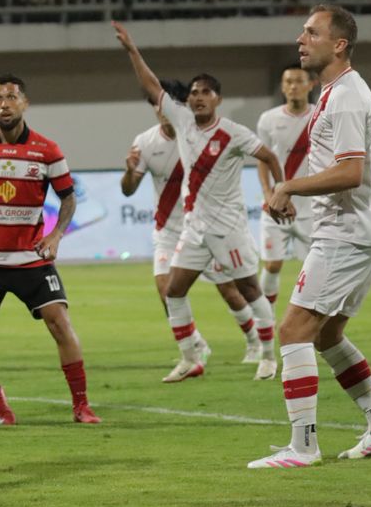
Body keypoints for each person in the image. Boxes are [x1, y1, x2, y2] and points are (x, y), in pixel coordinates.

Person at [256, 6, 371, 468]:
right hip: (354, 230)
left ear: (338, 44)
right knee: (327, 335)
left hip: (344, 234)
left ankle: (303, 446)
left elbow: (353, 170)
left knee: (293, 330)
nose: (301, 39)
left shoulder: (344, 98)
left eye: (311, 32)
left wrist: (289, 186)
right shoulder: (343, 92)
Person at [112, 23, 283, 382]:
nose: (199, 97)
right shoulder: (183, 122)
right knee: (173, 291)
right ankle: (191, 356)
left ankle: (268, 355)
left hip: (229, 229)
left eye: (206, 92)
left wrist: (282, 192)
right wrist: (131, 50)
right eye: (194, 92)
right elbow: (151, 86)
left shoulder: (233, 133)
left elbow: (268, 156)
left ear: (218, 98)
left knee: (250, 291)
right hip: (193, 229)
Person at [0, 76, 100, 426]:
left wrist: (56, 235)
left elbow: (68, 198)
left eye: (11, 97)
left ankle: (81, 405)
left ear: (25, 103)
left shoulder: (48, 151)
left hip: (31, 260)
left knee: (61, 324)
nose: (4, 103)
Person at [122, 80, 259, 367]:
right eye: (158, 106)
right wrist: (129, 173)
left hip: (204, 229)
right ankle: (196, 346)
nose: (163, 111)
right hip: (168, 232)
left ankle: (254, 340)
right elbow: (128, 190)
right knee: (166, 290)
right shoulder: (145, 142)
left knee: (230, 291)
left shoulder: (199, 137)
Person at [256, 64, 317, 306]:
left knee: (312, 269)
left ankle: (309, 317)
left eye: (299, 81)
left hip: (311, 207)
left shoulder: (320, 116)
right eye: (288, 81)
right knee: (272, 264)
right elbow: (262, 160)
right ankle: (265, 320)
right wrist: (268, 194)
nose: (293, 86)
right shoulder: (268, 120)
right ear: (282, 86)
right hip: (277, 204)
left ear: (310, 85)